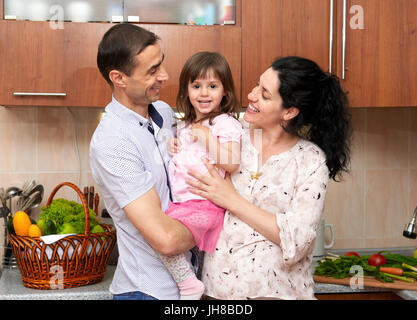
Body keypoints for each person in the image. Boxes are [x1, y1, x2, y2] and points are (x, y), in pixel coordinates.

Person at [186, 56, 352, 300]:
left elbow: (296, 241)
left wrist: (231, 200)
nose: (251, 96)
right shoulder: (230, 134)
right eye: (256, 85)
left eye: (264, 94)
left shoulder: (310, 160)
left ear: (289, 111)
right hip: (216, 295)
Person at [90, 23, 196, 300]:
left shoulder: (162, 111)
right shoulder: (112, 141)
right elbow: (166, 239)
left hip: (192, 285)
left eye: (161, 64)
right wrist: (222, 221)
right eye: (152, 71)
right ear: (119, 78)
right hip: (148, 291)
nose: (165, 75)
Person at [160, 51, 243, 300]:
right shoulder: (183, 125)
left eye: (212, 86)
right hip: (184, 204)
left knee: (163, 239)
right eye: (196, 85)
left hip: (205, 205)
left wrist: (208, 138)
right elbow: (184, 160)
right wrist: (172, 147)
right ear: (186, 90)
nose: (204, 93)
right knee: (164, 240)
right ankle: (191, 283)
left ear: (225, 90)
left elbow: (231, 162)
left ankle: (189, 286)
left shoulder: (224, 123)